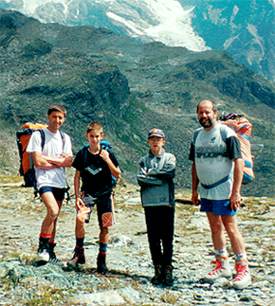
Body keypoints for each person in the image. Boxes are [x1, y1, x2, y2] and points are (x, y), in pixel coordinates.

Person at [189, 99, 251, 289]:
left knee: (230, 226)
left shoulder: (226, 133)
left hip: (224, 188)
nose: (204, 116)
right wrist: (194, 190)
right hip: (206, 189)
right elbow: (195, 164)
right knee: (215, 226)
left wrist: (236, 192)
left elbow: (238, 162)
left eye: (207, 112)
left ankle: (243, 268)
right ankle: (222, 264)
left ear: (215, 113)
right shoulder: (196, 135)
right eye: (200, 112)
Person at [68, 121, 121, 274]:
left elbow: (118, 174)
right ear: (87, 136)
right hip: (88, 194)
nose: (94, 139)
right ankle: (79, 252)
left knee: (104, 226)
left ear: (101, 136)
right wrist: (77, 196)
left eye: (97, 136)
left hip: (105, 194)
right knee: (80, 219)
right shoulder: (82, 154)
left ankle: (102, 258)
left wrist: (107, 159)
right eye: (91, 136)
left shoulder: (107, 153)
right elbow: (77, 176)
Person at [26, 104, 73, 263]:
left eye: (60, 118)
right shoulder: (38, 135)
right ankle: (43, 246)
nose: (57, 120)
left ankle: (51, 249)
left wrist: (51, 160)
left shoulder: (65, 138)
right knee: (52, 211)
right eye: (54, 117)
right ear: (48, 117)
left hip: (59, 182)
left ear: (64, 120)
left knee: (55, 216)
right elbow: (38, 162)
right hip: (44, 180)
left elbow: (68, 162)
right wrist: (58, 162)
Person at [137, 128, 176, 286]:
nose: (155, 141)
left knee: (167, 238)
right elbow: (140, 179)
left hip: (166, 202)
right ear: (148, 141)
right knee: (153, 238)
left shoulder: (170, 157)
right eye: (152, 139)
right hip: (149, 203)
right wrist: (158, 176)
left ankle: (167, 270)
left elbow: (170, 173)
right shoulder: (142, 160)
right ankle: (157, 269)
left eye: (158, 139)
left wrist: (150, 175)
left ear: (163, 141)